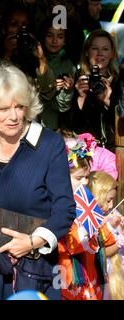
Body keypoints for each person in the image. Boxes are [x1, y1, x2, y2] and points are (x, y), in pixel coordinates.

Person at [0, 61, 76, 300]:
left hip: (32, 269)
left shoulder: (50, 145)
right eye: (3, 109)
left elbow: (65, 209)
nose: (13, 116)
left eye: (19, 107)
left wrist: (32, 241)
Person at [56, 137, 119, 299]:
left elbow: (100, 235)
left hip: (89, 270)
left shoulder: (87, 203)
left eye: (87, 177)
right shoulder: (55, 206)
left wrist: (110, 227)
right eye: (78, 178)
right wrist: (81, 236)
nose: (84, 182)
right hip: (68, 272)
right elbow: (56, 239)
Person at [0, 3, 56, 107]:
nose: (20, 30)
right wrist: (7, 54)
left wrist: (41, 60)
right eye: (14, 24)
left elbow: (48, 93)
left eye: (24, 26)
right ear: (3, 30)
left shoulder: (31, 57)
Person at [65, 29, 121, 151]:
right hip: (83, 151)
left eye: (105, 49)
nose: (100, 53)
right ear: (87, 52)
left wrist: (108, 101)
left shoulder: (119, 81)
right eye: (95, 48)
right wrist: (80, 97)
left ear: (112, 53)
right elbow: (68, 126)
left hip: (112, 151)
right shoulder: (77, 79)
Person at [87, 170, 124, 300]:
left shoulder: (113, 214)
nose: (111, 205)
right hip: (102, 274)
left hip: (117, 273)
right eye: (108, 200)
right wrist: (121, 241)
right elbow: (101, 252)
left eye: (113, 200)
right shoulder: (89, 221)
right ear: (97, 196)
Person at [39, 17, 77, 130]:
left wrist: (67, 90)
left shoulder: (68, 65)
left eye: (60, 36)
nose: (54, 41)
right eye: (50, 35)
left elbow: (61, 107)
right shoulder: (32, 59)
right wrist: (49, 88)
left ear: (65, 40)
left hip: (50, 126)